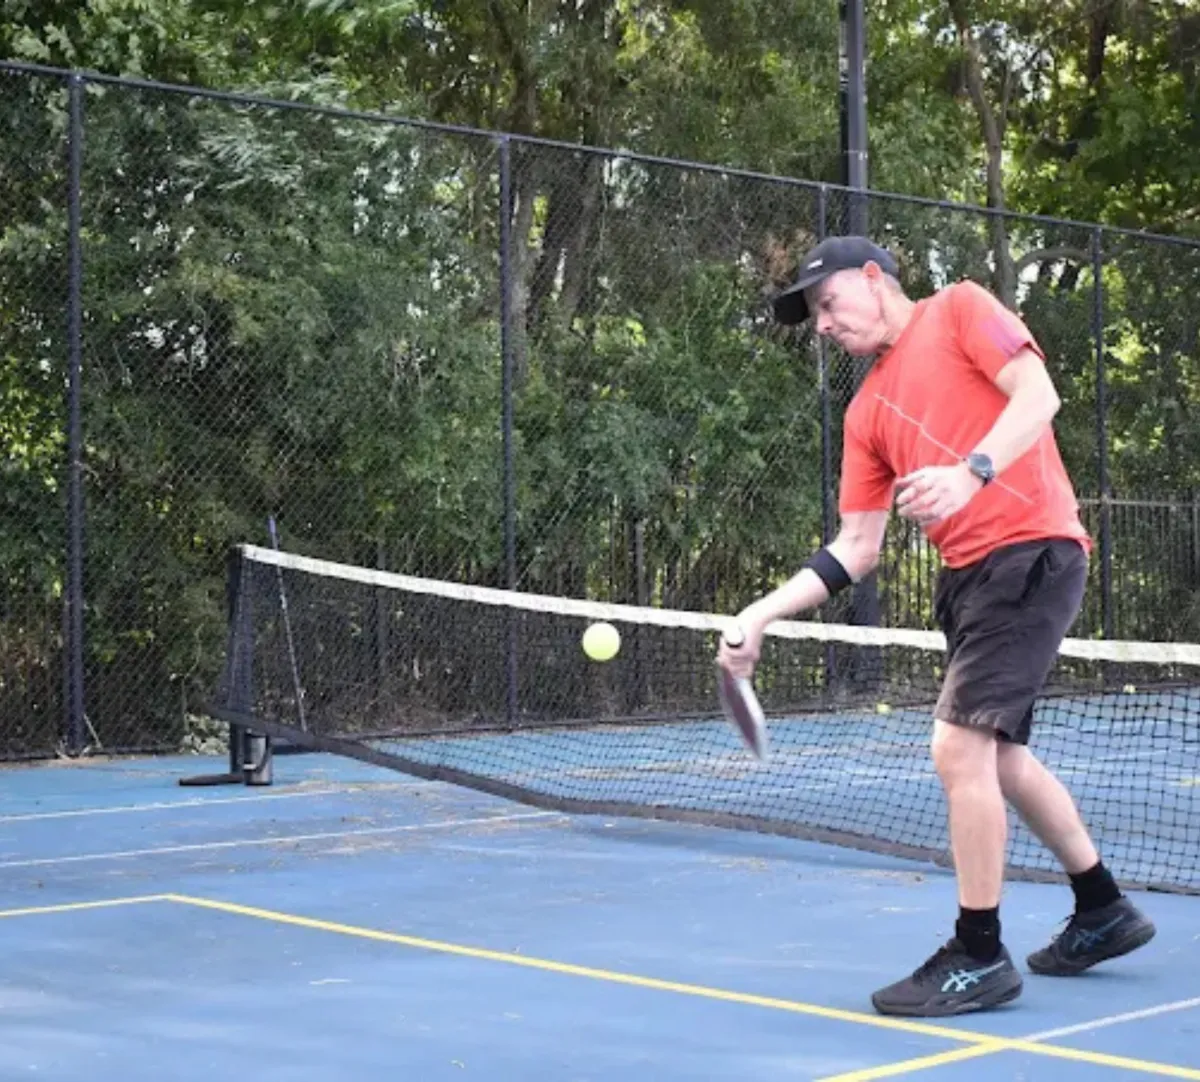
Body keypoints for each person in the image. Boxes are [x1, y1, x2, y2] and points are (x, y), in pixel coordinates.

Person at [717, 235, 1156, 1018]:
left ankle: (978, 954)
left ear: (874, 277)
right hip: (967, 580)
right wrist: (760, 612)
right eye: (814, 316)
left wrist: (971, 471)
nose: (823, 324)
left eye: (828, 303)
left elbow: (1039, 396)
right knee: (1001, 758)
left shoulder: (959, 308)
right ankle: (1102, 907)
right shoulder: (865, 413)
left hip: (1031, 551)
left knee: (958, 748)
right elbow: (857, 547)